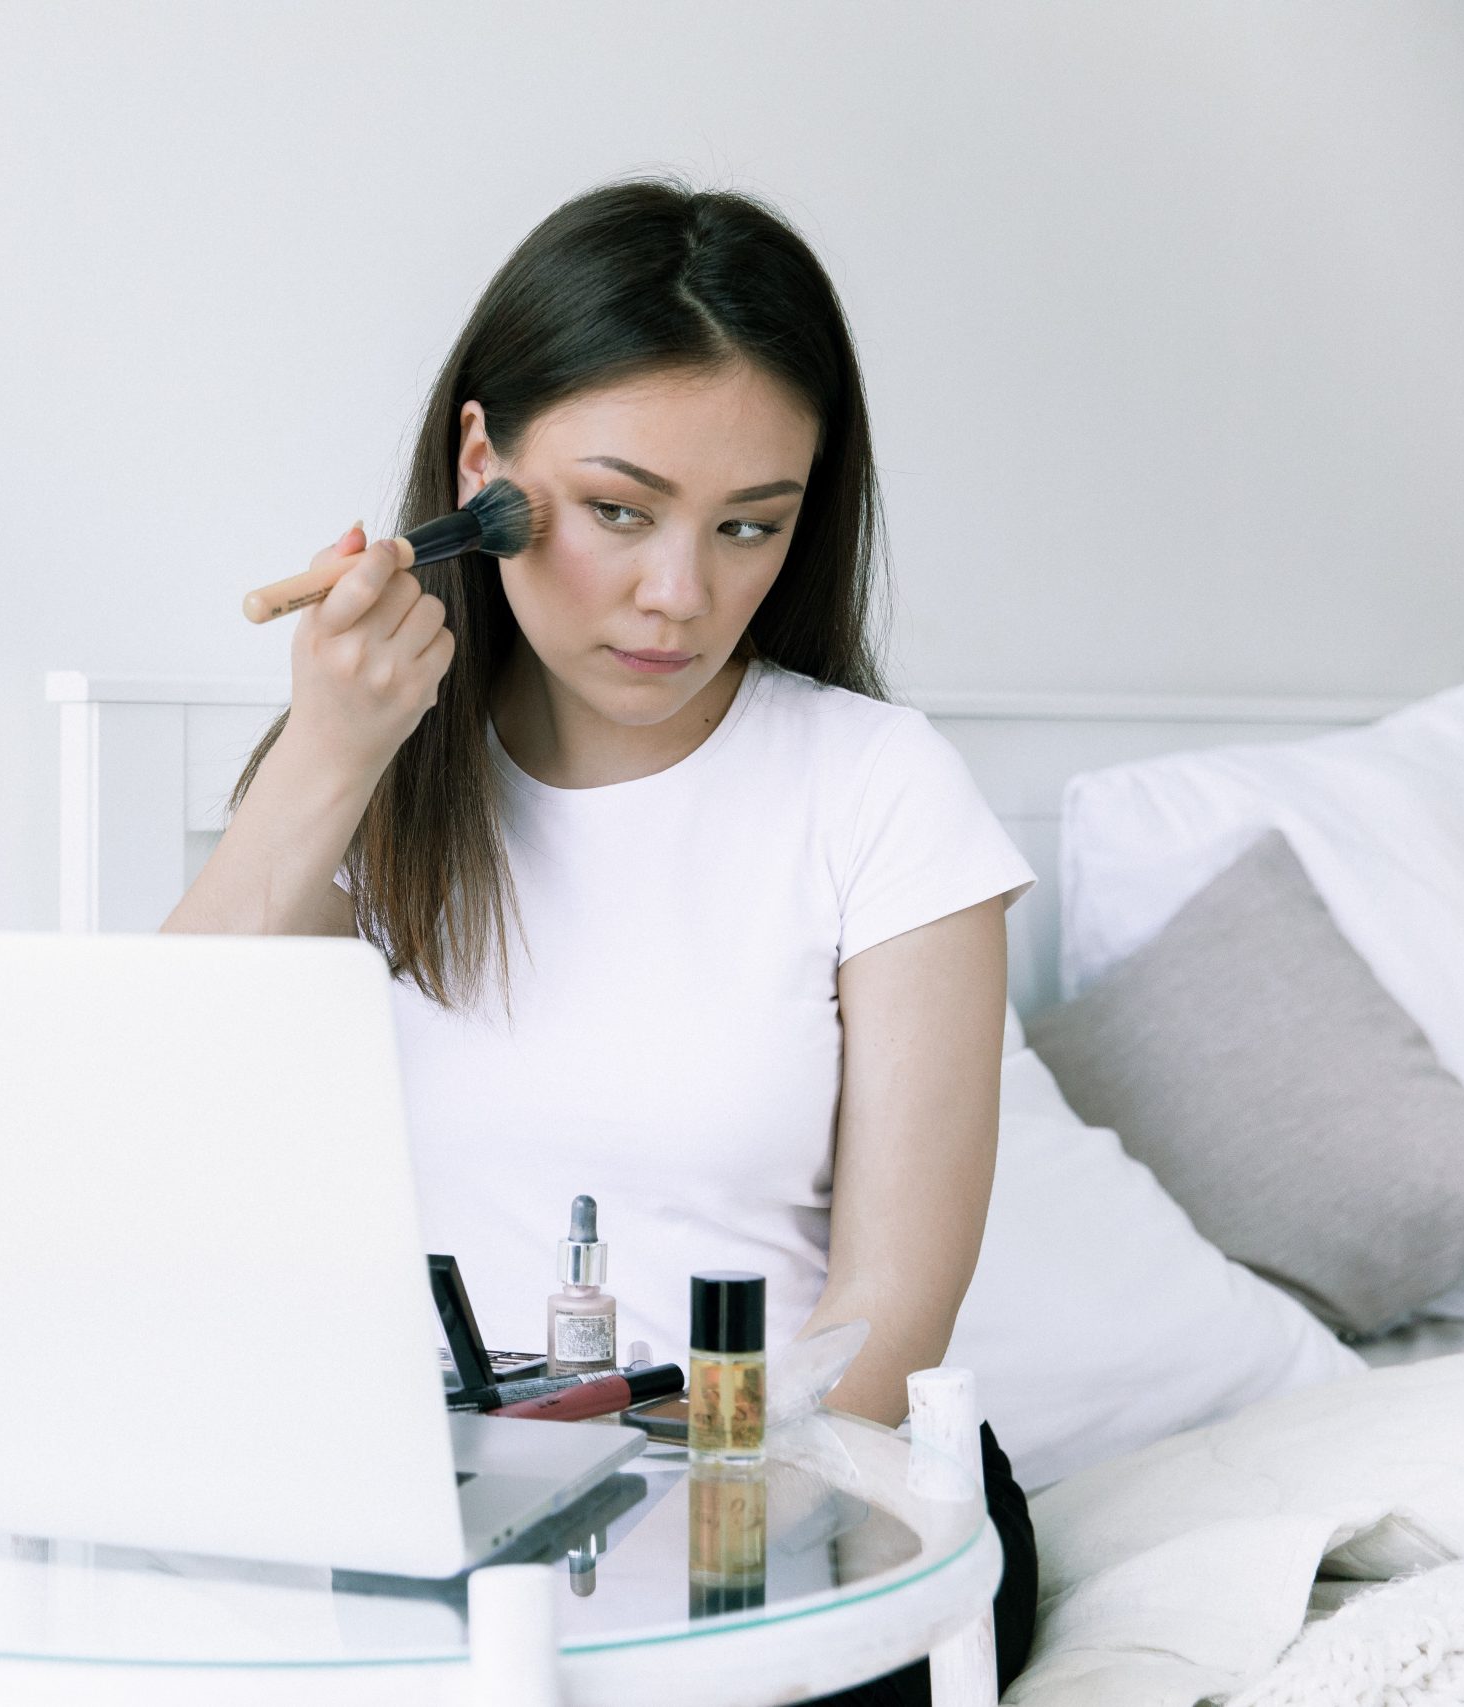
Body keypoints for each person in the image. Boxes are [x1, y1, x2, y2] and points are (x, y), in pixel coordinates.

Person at [163, 177, 1038, 1700]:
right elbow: (151, 1108)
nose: (679, 595)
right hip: (449, 1514)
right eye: (620, 511)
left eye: (750, 525)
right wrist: (326, 751)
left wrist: (673, 1544)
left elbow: (893, 1312)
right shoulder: (370, 782)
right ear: (482, 464)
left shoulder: (876, 790)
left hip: (790, 1512)